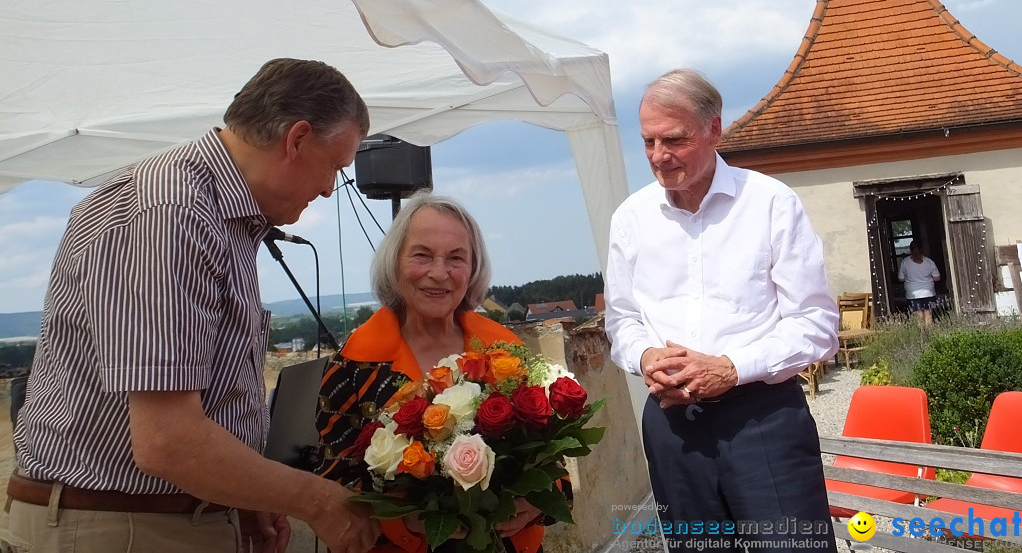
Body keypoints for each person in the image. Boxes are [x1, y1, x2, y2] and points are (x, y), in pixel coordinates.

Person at [0, 58, 379, 553]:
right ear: (298, 139)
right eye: (335, 166)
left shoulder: (223, 214)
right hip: (115, 526)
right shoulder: (171, 212)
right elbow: (167, 441)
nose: (331, 187)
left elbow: (204, 403)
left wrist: (244, 494)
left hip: (148, 521)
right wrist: (320, 501)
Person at [604, 68, 840, 553]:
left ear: (715, 129)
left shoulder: (771, 203)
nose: (658, 156)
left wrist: (732, 369)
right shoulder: (631, 218)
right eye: (648, 141)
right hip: (673, 429)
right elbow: (621, 321)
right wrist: (647, 357)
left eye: (674, 139)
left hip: (764, 420)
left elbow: (816, 326)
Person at [314, 192, 549, 553]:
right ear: (394, 263)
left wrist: (536, 503)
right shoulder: (354, 365)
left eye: (456, 258)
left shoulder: (503, 351)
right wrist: (400, 521)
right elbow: (331, 477)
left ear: (473, 270)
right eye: (422, 255)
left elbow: (552, 458)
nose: (439, 273)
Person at [898, 240, 941, 327]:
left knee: (918, 315)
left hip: (912, 293)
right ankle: (929, 335)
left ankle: (921, 336)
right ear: (922, 249)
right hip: (928, 291)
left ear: (910, 250)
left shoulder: (905, 262)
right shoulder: (929, 261)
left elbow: (900, 279)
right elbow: (937, 278)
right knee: (928, 314)